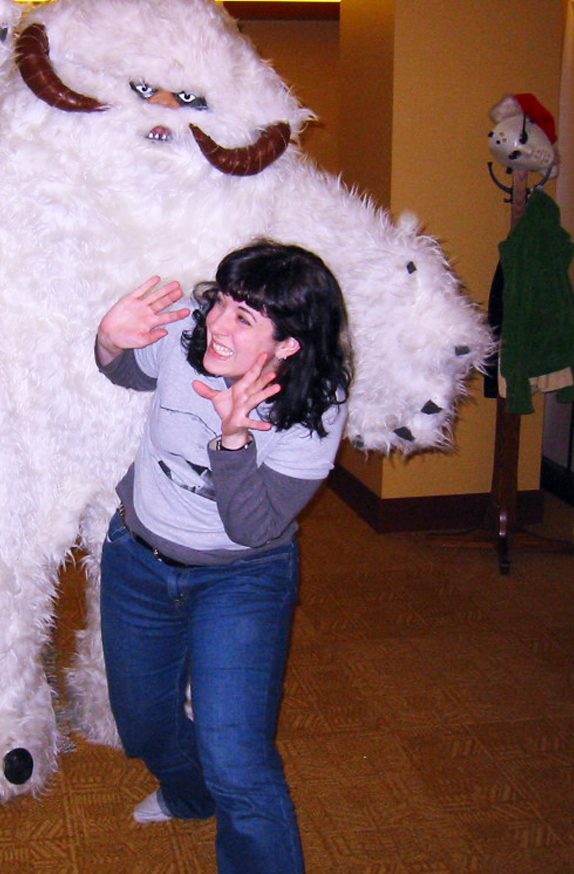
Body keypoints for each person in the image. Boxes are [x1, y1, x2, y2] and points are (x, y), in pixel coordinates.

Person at [95, 241, 351, 874]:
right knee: (145, 726)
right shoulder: (188, 331)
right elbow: (125, 371)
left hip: (243, 577)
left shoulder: (315, 406)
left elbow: (253, 526)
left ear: (287, 344)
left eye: (245, 318)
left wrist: (232, 439)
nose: (217, 324)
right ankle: (187, 794)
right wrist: (107, 340)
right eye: (224, 303)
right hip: (138, 557)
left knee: (237, 759)